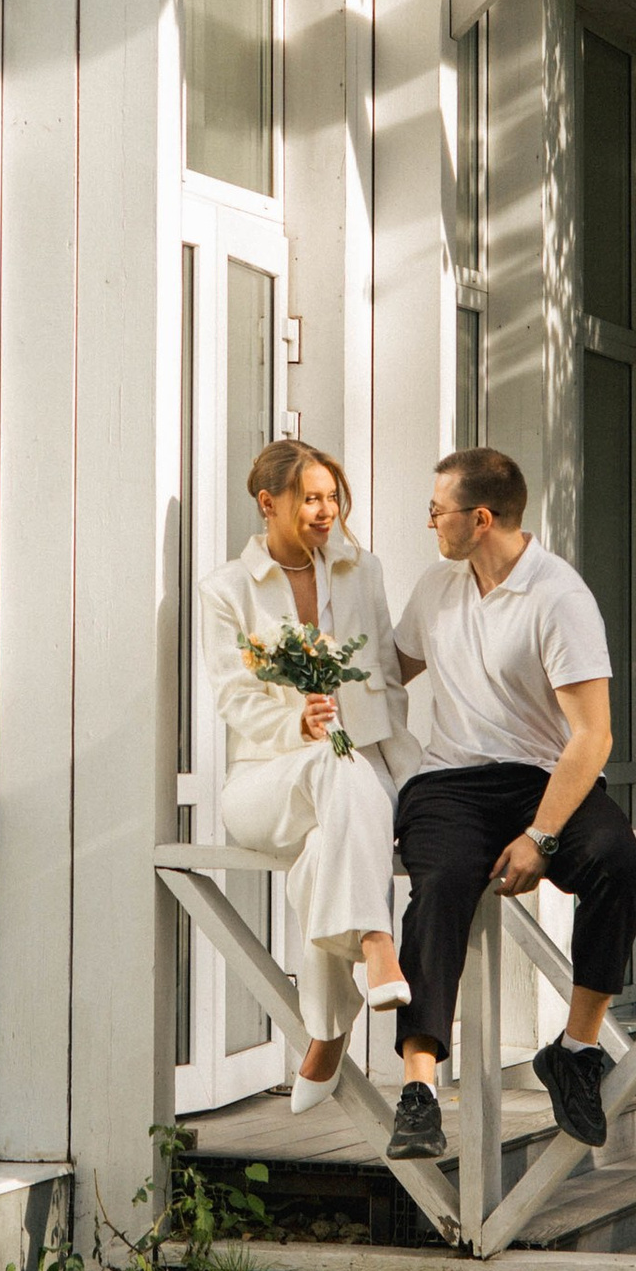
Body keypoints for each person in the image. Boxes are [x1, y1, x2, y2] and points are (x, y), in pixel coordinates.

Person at [385, 446, 636, 1165]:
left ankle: (576, 1049)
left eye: (438, 510)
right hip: (450, 784)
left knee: (616, 861)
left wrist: (542, 836)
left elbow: (593, 736)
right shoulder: (437, 588)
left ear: (482, 518)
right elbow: (382, 674)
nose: (429, 521)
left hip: (541, 778)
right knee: (438, 887)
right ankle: (419, 1089)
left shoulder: (559, 597)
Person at [195, 441, 418, 1110]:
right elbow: (233, 698)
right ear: (268, 504)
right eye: (310, 498)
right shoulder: (225, 591)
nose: (326, 512)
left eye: (332, 498)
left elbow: (384, 682)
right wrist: (297, 725)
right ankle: (376, 940)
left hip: (353, 773)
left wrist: (409, 776)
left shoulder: (362, 571)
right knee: (332, 767)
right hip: (265, 782)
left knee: (330, 845)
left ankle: (325, 1030)